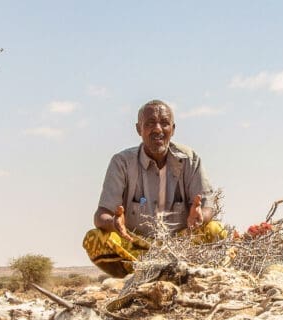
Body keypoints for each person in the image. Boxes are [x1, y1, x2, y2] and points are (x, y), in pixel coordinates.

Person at [83, 99, 226, 277]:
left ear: (173, 129)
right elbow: (101, 215)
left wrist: (200, 217)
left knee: (216, 230)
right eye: (150, 123)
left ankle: (184, 272)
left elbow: (206, 208)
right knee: (95, 238)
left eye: (164, 123)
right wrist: (114, 223)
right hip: (137, 248)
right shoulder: (122, 163)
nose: (158, 129)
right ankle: (137, 276)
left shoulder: (190, 159)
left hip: (182, 245)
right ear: (139, 129)